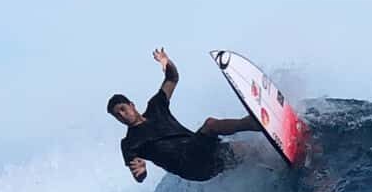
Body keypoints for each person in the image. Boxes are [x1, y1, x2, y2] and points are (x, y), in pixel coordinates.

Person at [107, 47, 262, 183]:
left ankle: (275, 164)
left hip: (204, 153)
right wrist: (140, 172)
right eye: (117, 115)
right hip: (188, 164)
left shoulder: (156, 107)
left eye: (122, 109)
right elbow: (139, 175)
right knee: (210, 125)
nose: (122, 115)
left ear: (132, 105)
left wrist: (166, 62)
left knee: (248, 151)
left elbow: (172, 78)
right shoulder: (129, 143)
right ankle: (254, 123)